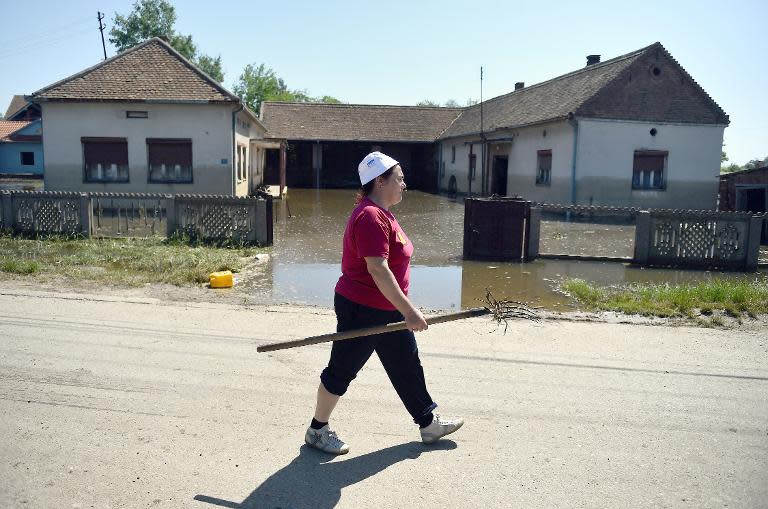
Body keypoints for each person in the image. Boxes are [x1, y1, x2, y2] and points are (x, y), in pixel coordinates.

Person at [305, 151, 464, 455]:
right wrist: (409, 310)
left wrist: (402, 307)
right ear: (380, 181)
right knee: (342, 369)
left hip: (386, 306)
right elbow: (377, 268)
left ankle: (428, 424)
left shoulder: (382, 213)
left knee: (406, 364)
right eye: (400, 178)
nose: (404, 184)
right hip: (363, 308)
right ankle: (317, 430)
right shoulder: (370, 216)